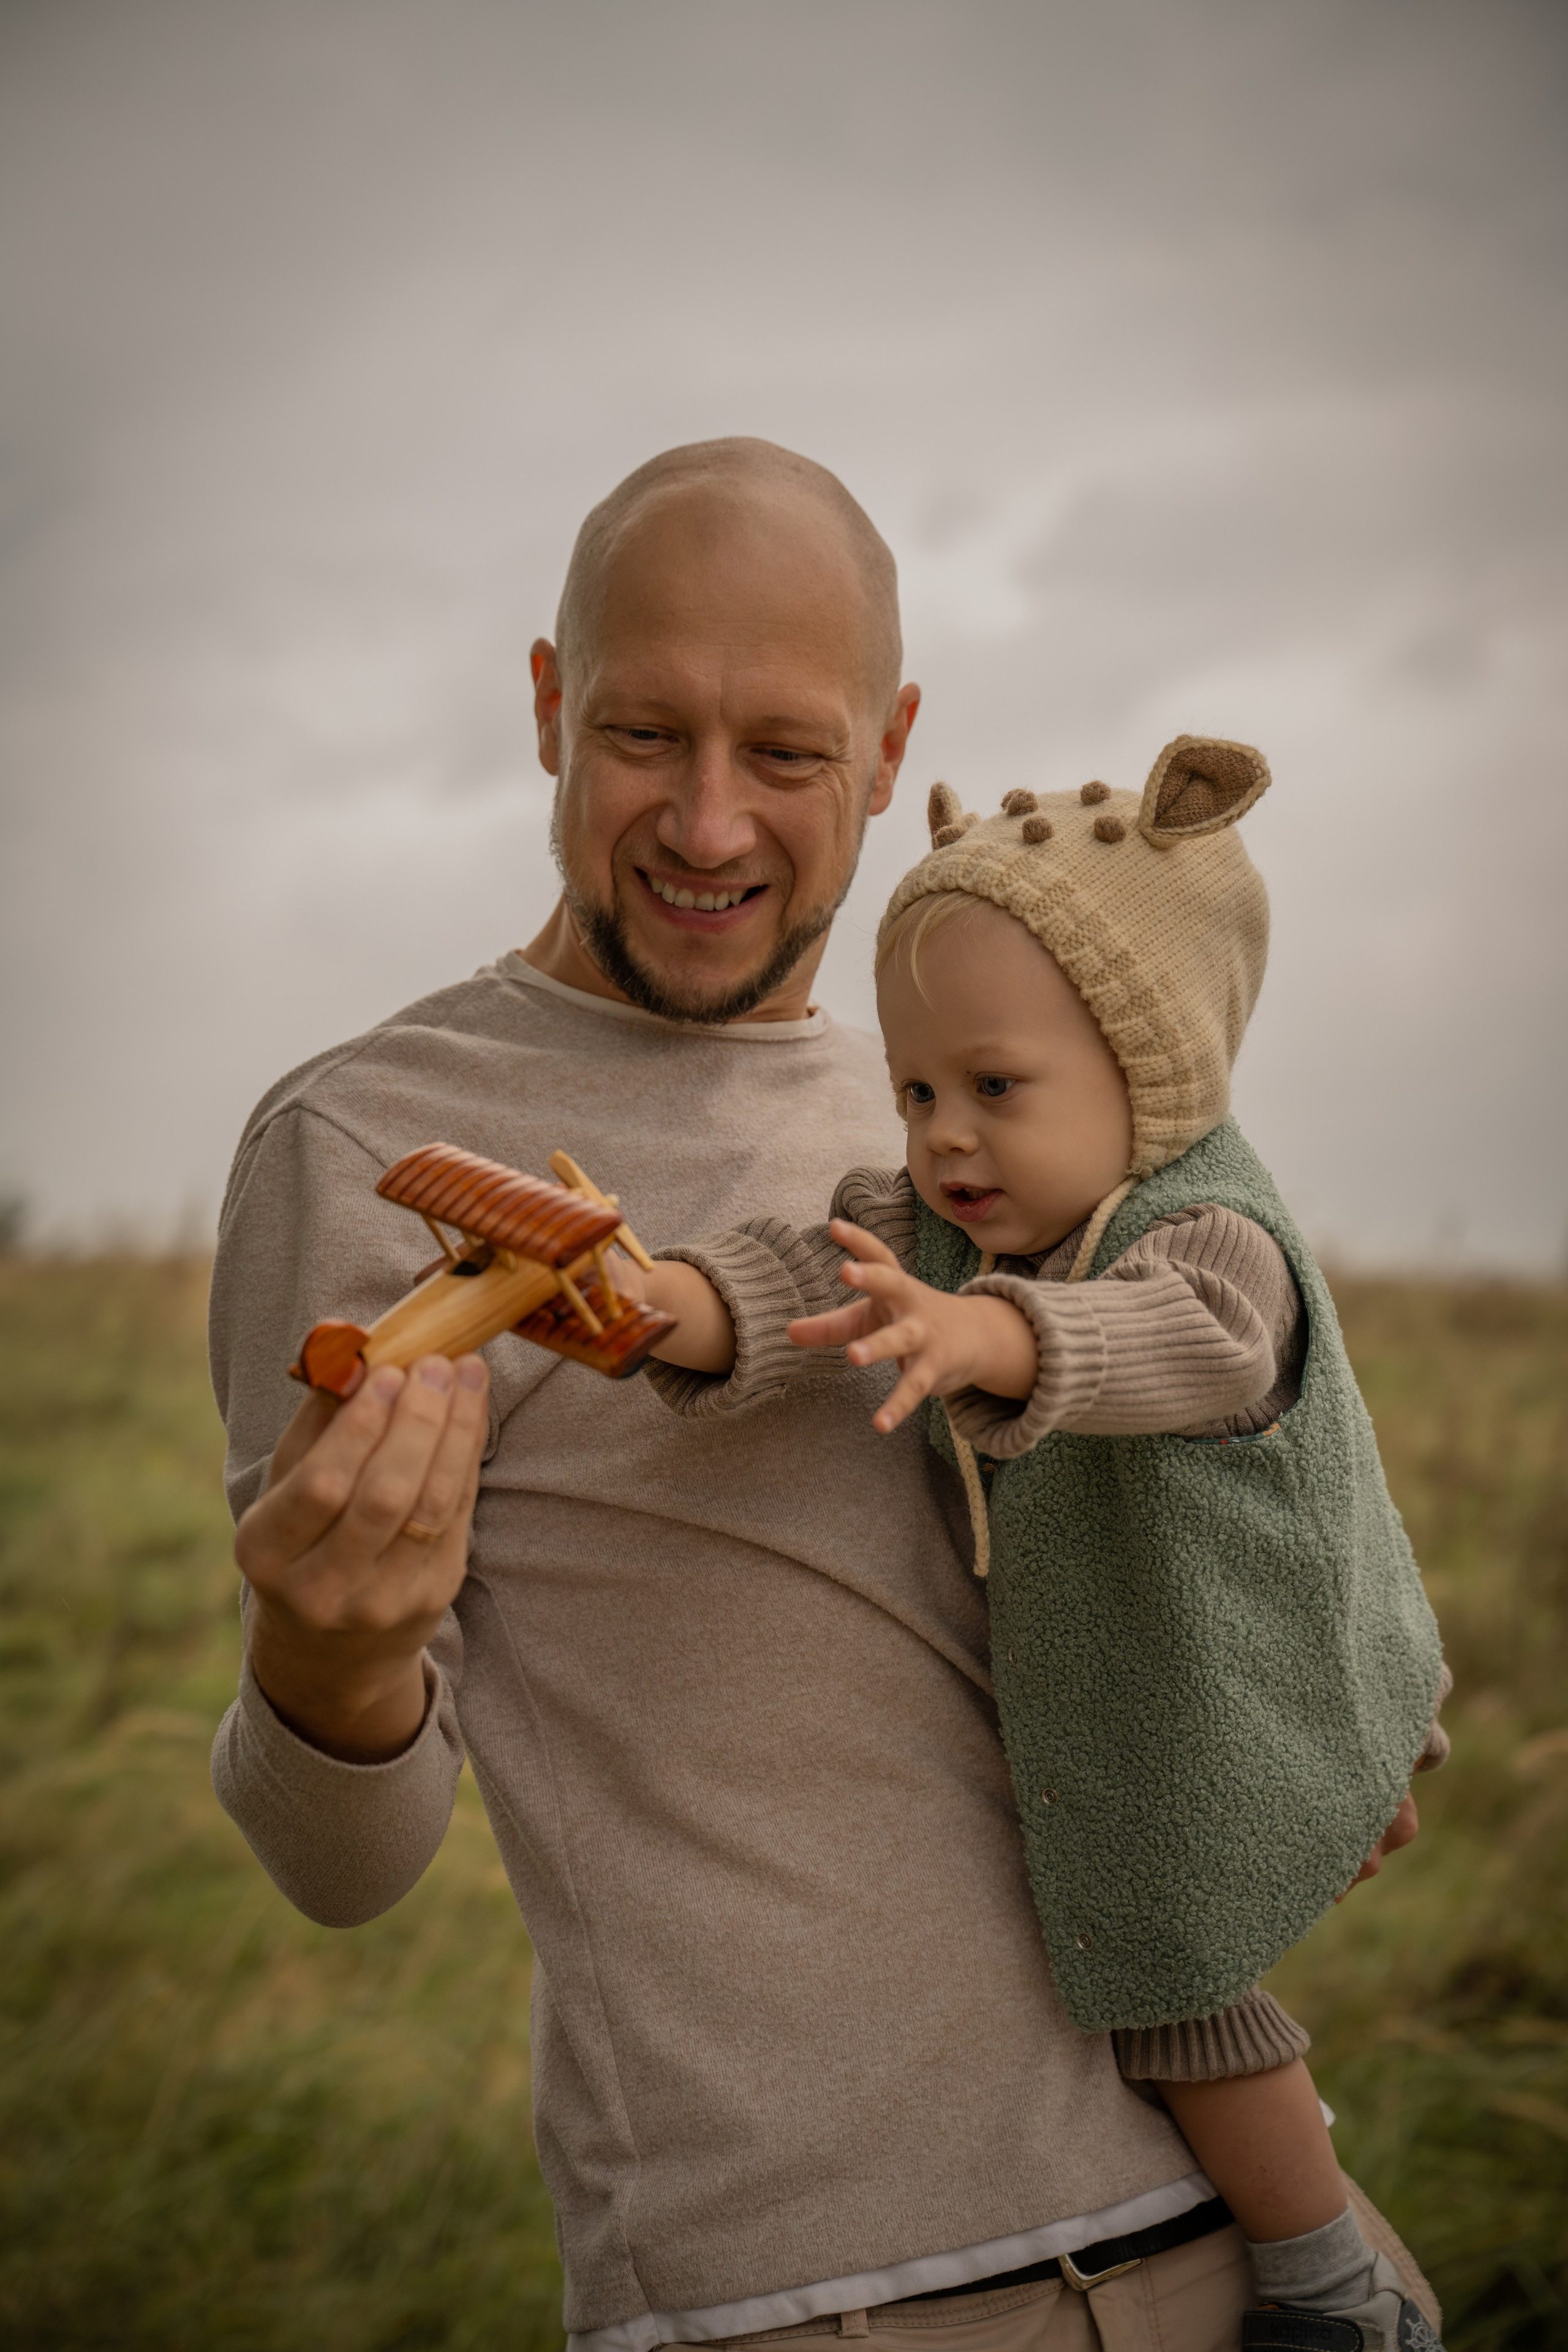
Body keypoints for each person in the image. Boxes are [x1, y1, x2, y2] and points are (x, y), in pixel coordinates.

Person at [210, 439, 1436, 2352]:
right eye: (643, 736)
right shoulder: (360, 1143)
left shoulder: (971, 1100)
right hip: (806, 2299)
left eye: (784, 754)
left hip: (1239, 2226)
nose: (709, 823)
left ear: (889, 748)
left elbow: (1240, 1442)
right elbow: (339, 1870)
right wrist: (325, 1661)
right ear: (546, 707)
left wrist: (1316, 1724)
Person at [609, 741, 1451, 2351]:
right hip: (1177, 1674)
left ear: (1155, 1071)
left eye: (996, 1088)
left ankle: (1332, 2289)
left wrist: (984, 1336)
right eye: (918, 1092)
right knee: (1164, 1987)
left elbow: (1173, 1344)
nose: (944, 1138)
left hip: (1274, 1664)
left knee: (1180, 1988)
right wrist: (671, 1303)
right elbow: (812, 1270)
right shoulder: (955, 1232)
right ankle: (1317, 2264)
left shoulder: (1208, 1235)